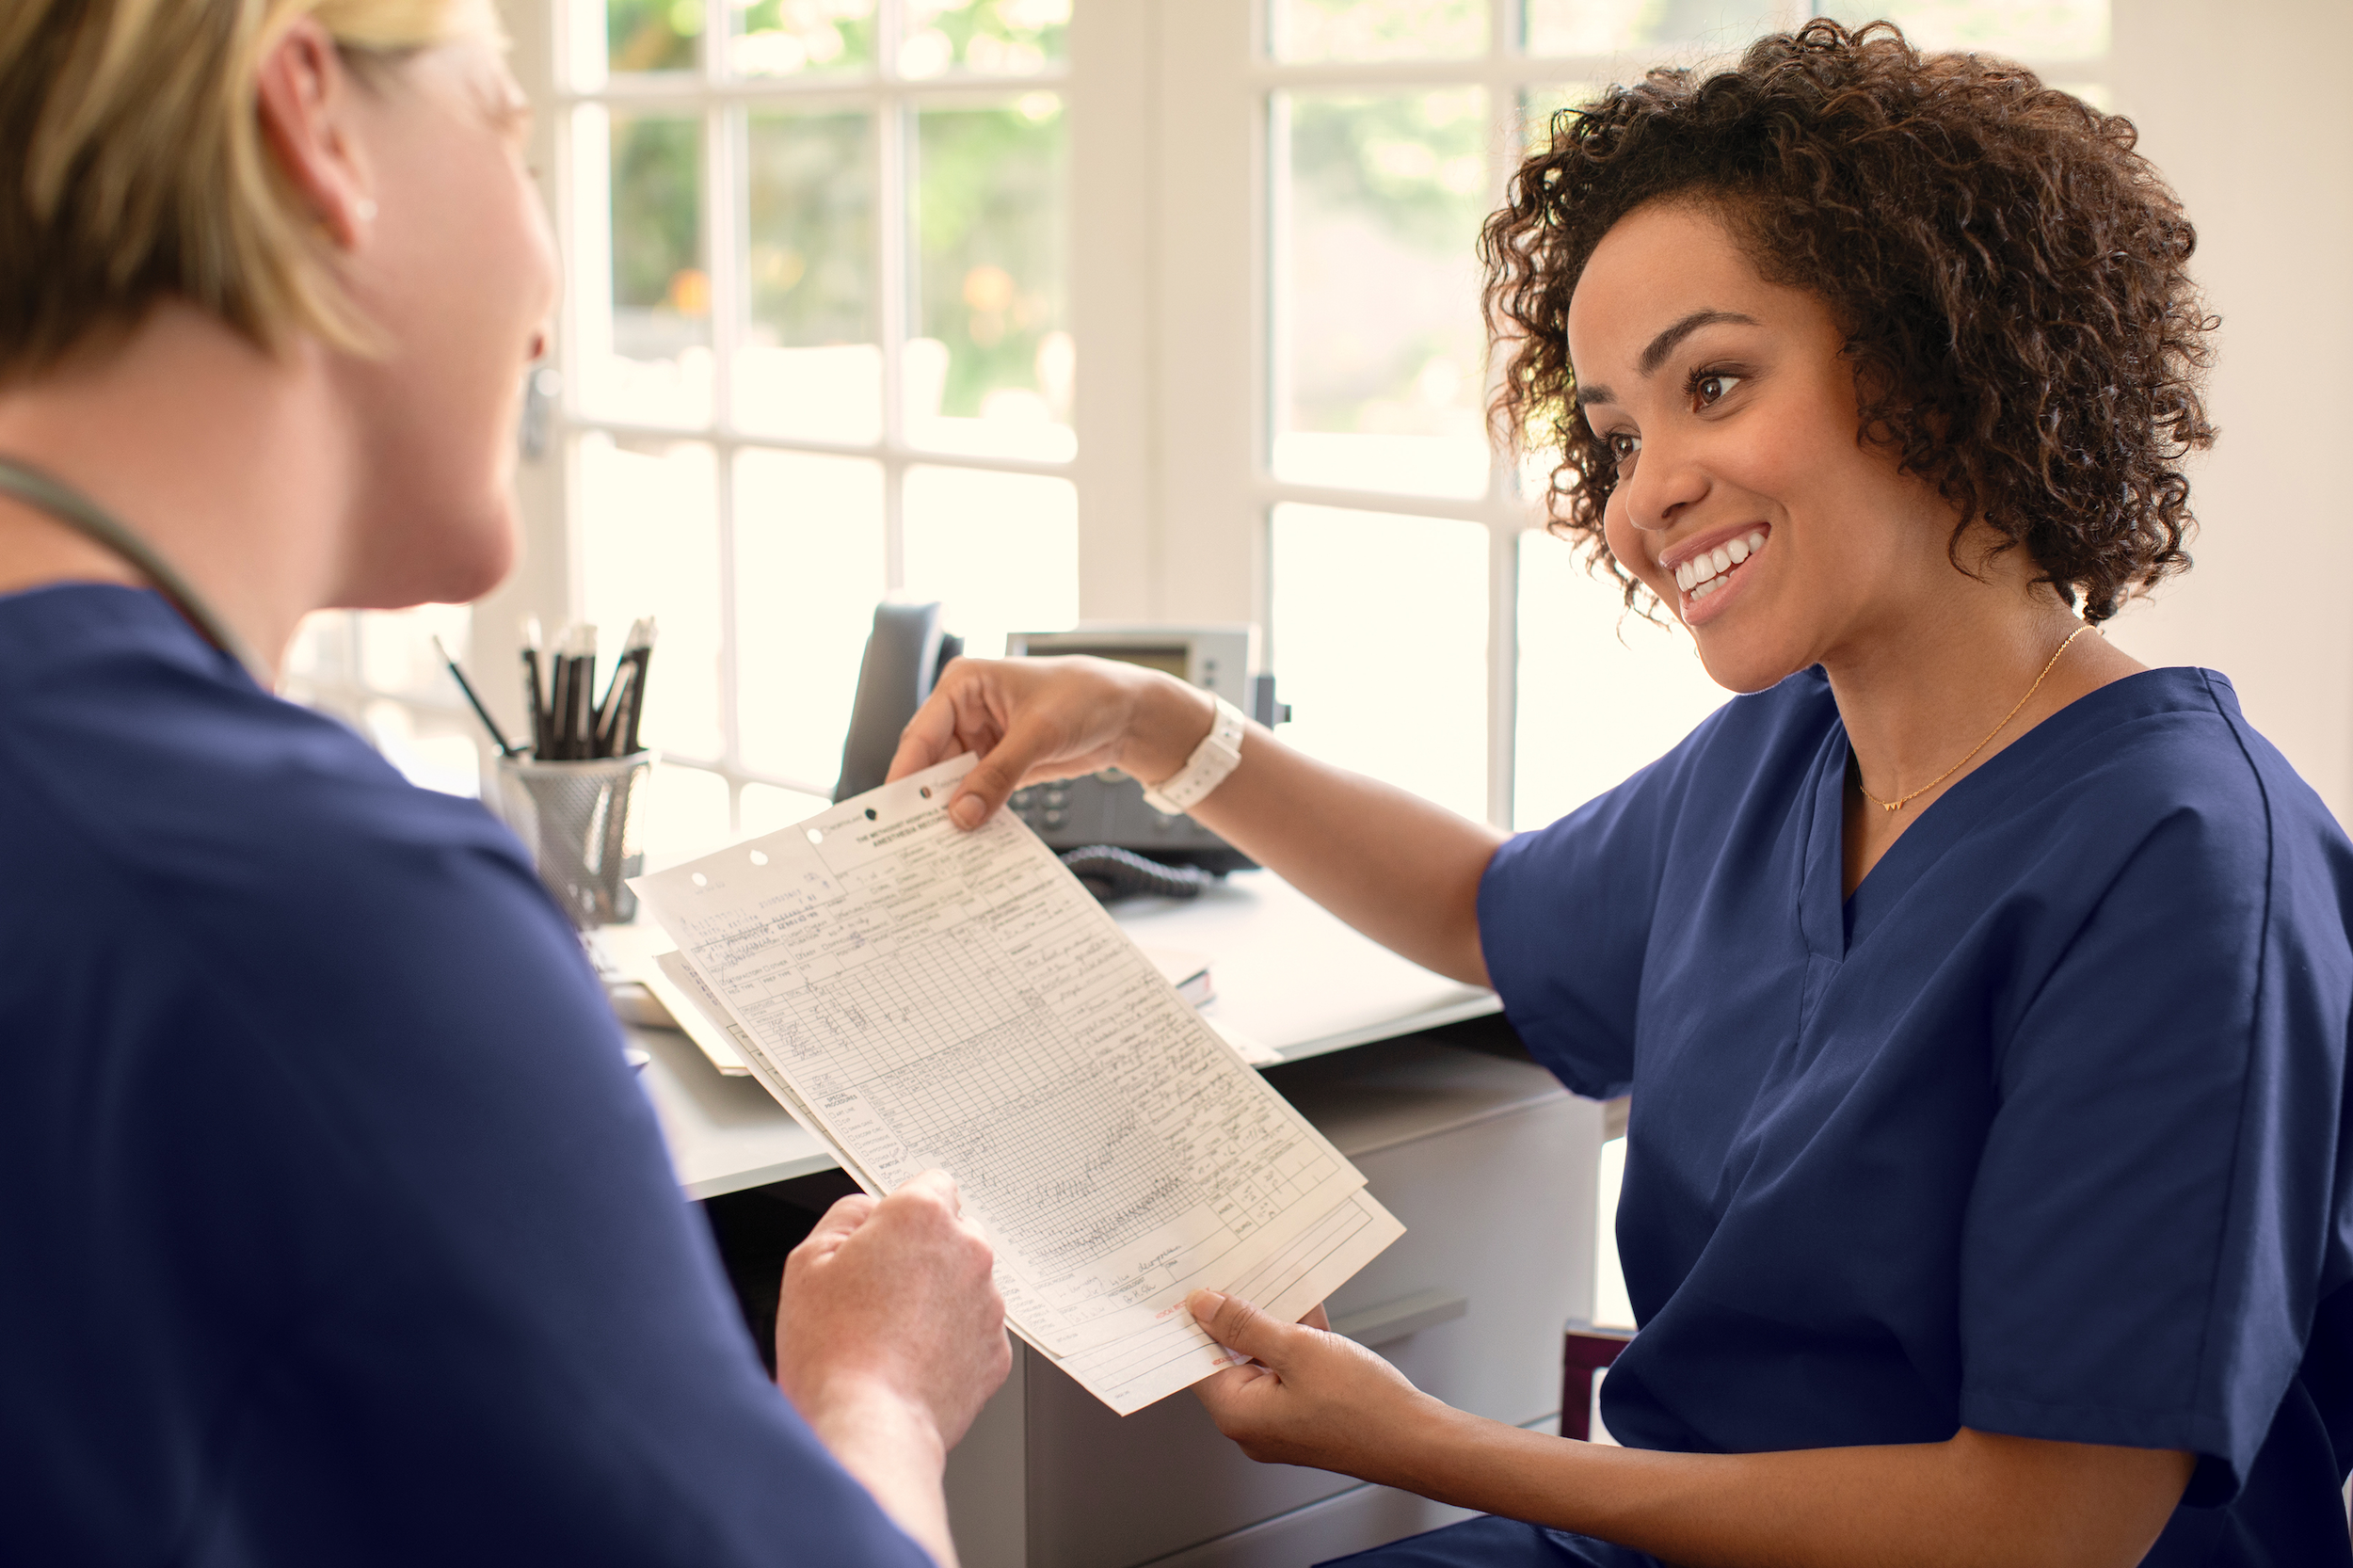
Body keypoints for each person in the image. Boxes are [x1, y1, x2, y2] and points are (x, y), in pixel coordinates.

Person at [888, 21, 2353, 1568]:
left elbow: (2045, 1527)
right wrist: (1148, 722)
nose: (1648, 489)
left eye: (1713, 384)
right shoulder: (1789, 753)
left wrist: (1442, 1451)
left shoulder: (2188, 863)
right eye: (1615, 433)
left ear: (1931, 357)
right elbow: (1482, 905)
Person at [0, 2, 1007, 1563]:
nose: (550, 308)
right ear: (316, 127)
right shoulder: (322, 914)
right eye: (509, 129)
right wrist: (877, 1390)